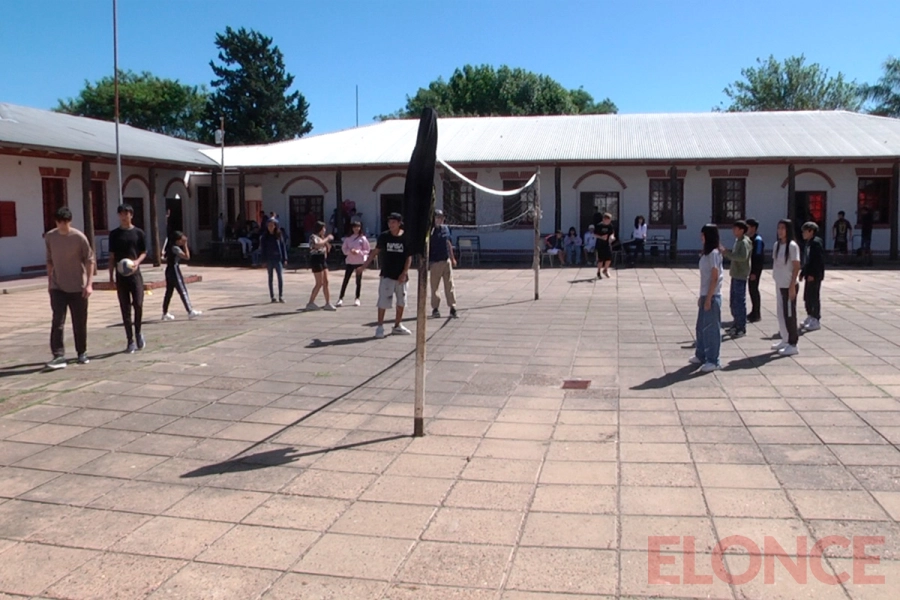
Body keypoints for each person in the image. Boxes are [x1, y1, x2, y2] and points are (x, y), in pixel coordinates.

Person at [44, 207, 94, 369]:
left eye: (65, 222)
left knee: (79, 321)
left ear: (69, 221)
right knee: (57, 321)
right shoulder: (51, 237)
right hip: (57, 286)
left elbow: (89, 260)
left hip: (77, 287)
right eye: (59, 222)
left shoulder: (79, 238)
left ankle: (82, 352)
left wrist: (89, 284)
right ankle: (58, 355)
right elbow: (50, 260)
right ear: (56, 222)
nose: (62, 225)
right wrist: (50, 281)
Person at [357, 212, 412, 339]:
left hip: (401, 276)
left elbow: (409, 257)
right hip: (387, 274)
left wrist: (404, 273)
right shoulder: (384, 237)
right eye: (389, 222)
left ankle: (397, 325)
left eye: (393, 222)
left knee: (401, 302)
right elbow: (374, 252)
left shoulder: (406, 237)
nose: (391, 225)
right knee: (383, 301)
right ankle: (380, 326)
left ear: (399, 223)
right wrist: (364, 266)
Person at [108, 203, 147, 353]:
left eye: (126, 214)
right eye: (121, 214)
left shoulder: (138, 233)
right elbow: (111, 257)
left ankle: (138, 332)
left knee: (138, 303)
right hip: (121, 275)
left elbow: (144, 251)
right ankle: (129, 340)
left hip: (134, 274)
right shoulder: (114, 234)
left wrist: (137, 261)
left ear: (131, 215)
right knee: (125, 307)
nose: (124, 217)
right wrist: (111, 276)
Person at [690, 224, 723, 373]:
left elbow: (714, 277)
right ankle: (701, 354)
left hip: (713, 295)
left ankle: (713, 360)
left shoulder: (714, 254)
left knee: (711, 329)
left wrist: (709, 298)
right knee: (701, 327)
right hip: (705, 294)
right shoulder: (706, 253)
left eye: (703, 235)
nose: (700, 237)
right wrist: (702, 296)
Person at [772, 219, 801, 357]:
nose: (780, 231)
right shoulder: (777, 245)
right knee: (781, 313)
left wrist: (792, 286)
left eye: (783, 228)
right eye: (778, 228)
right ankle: (785, 338)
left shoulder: (792, 246)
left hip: (788, 285)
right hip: (779, 283)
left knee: (790, 314)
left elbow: (796, 266)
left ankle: (793, 343)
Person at [720, 220, 751, 338]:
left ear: (742, 230)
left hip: (740, 275)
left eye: (736, 229)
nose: (733, 231)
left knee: (739, 301)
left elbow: (742, 257)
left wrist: (727, 254)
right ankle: (736, 323)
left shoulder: (744, 242)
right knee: (734, 301)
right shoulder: (738, 241)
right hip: (736, 274)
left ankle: (741, 326)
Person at [161, 231, 201, 321]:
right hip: (174, 270)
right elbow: (187, 257)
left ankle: (165, 312)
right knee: (182, 290)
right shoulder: (175, 248)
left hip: (169, 270)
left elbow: (166, 258)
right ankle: (190, 311)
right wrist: (185, 245)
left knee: (169, 292)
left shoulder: (171, 247)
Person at [430, 209, 458, 318]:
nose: (440, 220)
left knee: (449, 285)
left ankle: (453, 307)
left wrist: (452, 258)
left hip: (446, 261)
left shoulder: (446, 229)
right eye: (437, 218)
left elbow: (448, 243)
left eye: (441, 218)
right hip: (435, 262)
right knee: (435, 286)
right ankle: (435, 308)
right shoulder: (431, 231)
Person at [800, 222, 825, 332]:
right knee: (807, 296)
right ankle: (810, 315)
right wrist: (803, 272)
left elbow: (817, 261)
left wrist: (812, 274)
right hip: (808, 274)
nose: (803, 233)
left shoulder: (816, 243)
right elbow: (807, 261)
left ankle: (816, 318)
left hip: (814, 275)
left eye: (805, 231)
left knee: (813, 296)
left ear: (811, 231)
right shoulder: (808, 243)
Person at [338, 220, 369, 307]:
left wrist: (359, 252)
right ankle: (340, 298)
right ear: (352, 228)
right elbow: (344, 249)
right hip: (350, 261)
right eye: (355, 227)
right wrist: (350, 251)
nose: (356, 229)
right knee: (346, 280)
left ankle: (357, 298)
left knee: (358, 281)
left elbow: (367, 250)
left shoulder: (363, 238)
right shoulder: (348, 238)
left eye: (358, 227)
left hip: (359, 261)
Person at [306, 221, 336, 311]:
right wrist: (327, 239)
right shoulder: (313, 237)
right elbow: (316, 245)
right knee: (319, 283)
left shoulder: (321, 238)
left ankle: (328, 302)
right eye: (323, 228)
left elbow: (326, 248)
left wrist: (327, 246)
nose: (324, 230)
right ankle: (310, 302)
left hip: (323, 260)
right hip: (316, 260)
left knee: (326, 282)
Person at [260, 217, 288, 303]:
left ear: (275, 226)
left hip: (277, 259)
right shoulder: (265, 237)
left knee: (280, 277)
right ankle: (272, 296)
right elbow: (263, 249)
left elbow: (283, 247)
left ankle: (281, 295)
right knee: (270, 278)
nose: (270, 227)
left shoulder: (279, 235)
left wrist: (285, 258)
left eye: (272, 225)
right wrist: (263, 260)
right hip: (269, 259)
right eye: (269, 225)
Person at [746, 218, 765, 323]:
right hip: (750, 268)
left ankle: (756, 313)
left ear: (753, 228)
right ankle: (753, 311)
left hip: (755, 269)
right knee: (751, 290)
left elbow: (758, 257)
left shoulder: (758, 240)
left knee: (754, 289)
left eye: (748, 227)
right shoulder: (750, 239)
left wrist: (754, 272)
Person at [595, 213, 616, 278]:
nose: (609, 221)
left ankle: (605, 269)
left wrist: (612, 237)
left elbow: (612, 233)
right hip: (600, 244)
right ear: (604, 219)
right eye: (608, 220)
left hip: (607, 244)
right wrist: (601, 237)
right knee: (601, 259)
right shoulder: (599, 225)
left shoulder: (610, 226)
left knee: (609, 258)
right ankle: (598, 271)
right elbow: (595, 234)